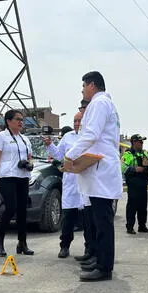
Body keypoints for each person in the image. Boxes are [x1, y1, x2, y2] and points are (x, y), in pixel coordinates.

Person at [64, 71, 122, 281]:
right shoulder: (104, 104)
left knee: (103, 221)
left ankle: (104, 267)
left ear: (92, 85)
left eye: (83, 86)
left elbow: (91, 134)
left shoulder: (99, 104)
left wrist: (70, 155)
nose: (82, 90)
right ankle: (99, 260)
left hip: (101, 169)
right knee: (99, 220)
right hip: (100, 168)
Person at [43, 106, 93, 258]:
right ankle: (64, 245)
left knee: (87, 220)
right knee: (68, 218)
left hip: (86, 181)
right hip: (71, 182)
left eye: (80, 120)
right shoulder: (68, 137)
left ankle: (89, 249)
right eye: (75, 121)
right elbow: (58, 155)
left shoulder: (90, 136)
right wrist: (49, 145)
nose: (77, 123)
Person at [0, 109, 34, 257]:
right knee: (10, 208)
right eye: (17, 119)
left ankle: (22, 243)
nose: (21, 122)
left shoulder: (25, 139)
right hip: (6, 176)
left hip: (23, 176)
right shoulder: (0, 137)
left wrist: (30, 163)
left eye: (22, 119)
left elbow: (30, 156)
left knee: (22, 210)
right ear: (8, 121)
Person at [121, 134, 148, 234]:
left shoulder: (145, 154)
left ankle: (142, 226)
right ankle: (130, 227)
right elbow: (123, 168)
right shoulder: (128, 154)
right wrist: (135, 169)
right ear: (134, 142)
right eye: (140, 142)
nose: (142, 144)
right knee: (132, 206)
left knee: (143, 206)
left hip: (143, 184)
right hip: (133, 184)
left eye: (142, 142)